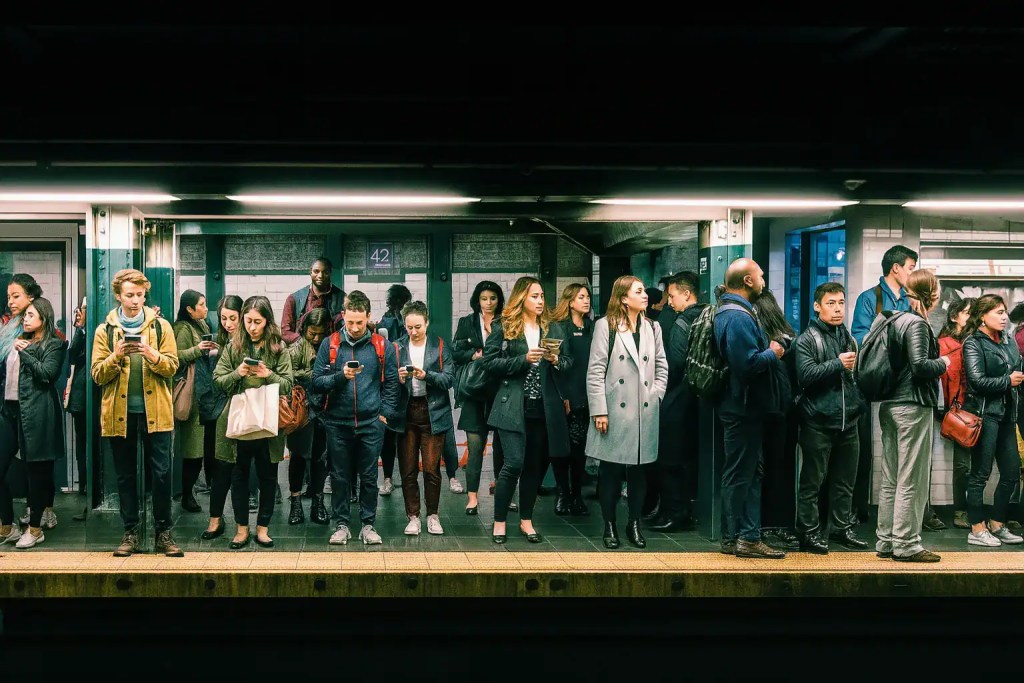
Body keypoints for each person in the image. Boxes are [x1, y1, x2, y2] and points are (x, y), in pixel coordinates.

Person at [90, 268, 182, 557]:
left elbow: (173, 366)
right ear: (118, 295)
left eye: (140, 295)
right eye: (129, 295)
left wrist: (152, 355)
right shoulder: (105, 331)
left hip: (158, 414)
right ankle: (130, 532)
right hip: (120, 414)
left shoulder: (161, 327)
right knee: (126, 475)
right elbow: (97, 374)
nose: (135, 300)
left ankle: (163, 533)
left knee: (162, 474)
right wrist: (116, 356)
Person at [484, 276, 572, 545]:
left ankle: (526, 521)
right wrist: (523, 360)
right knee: (513, 464)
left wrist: (555, 360)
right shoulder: (504, 326)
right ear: (521, 298)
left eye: (542, 296)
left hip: (543, 407)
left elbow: (569, 362)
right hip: (512, 405)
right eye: (535, 296)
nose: (540, 301)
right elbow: (489, 363)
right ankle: (499, 521)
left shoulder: (553, 328)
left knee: (534, 467)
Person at [586, 275, 668, 549]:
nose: (645, 296)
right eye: (639, 291)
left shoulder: (652, 327)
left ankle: (634, 523)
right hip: (614, 410)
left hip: (644, 410)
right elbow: (595, 371)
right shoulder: (606, 326)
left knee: (639, 471)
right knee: (610, 470)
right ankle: (609, 524)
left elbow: (661, 365)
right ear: (623, 298)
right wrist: (599, 410)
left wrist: (656, 394)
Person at [313, 291, 399, 546]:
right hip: (337, 423)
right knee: (339, 476)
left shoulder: (381, 346)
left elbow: (391, 384)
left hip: (371, 422)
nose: (354, 327)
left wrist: (384, 416)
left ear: (368, 317)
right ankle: (341, 525)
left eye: (359, 322)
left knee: (369, 477)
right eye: (349, 322)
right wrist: (341, 377)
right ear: (343, 316)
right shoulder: (330, 344)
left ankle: (368, 525)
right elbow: (316, 382)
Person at [713, 258, 787, 559]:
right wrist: (774, 352)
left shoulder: (729, 311)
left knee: (745, 472)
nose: (763, 281)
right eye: (760, 276)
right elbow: (746, 365)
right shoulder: (738, 317)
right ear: (747, 280)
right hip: (742, 407)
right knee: (742, 474)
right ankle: (742, 538)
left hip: (740, 406)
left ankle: (740, 536)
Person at [874, 269, 949, 563]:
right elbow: (919, 366)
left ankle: (886, 540)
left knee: (891, 476)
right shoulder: (916, 323)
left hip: (891, 405)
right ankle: (906, 544)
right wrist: (943, 362)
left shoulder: (892, 319)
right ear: (932, 294)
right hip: (912, 406)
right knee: (911, 477)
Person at [213, 296, 293, 549]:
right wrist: (238, 373)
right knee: (239, 475)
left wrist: (268, 374)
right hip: (241, 420)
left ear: (267, 321)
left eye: (258, 322)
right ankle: (241, 529)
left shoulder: (278, 347)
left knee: (268, 476)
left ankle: (263, 529)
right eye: (248, 321)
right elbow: (218, 380)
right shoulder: (234, 346)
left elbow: (288, 385)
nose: (252, 327)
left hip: (268, 422)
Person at [794, 282, 869, 554]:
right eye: (831, 303)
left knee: (845, 481)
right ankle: (808, 532)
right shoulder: (807, 339)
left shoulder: (847, 336)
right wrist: (837, 363)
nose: (837, 309)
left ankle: (840, 528)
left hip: (848, 421)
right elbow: (805, 375)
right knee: (812, 482)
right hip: (818, 422)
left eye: (841, 303)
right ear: (817, 306)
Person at [850, 244, 919, 525]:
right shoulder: (870, 298)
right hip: (873, 378)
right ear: (896, 268)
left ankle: (907, 512)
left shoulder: (911, 300)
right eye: (911, 268)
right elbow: (860, 337)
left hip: (902, 382)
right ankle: (857, 507)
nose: (913, 274)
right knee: (862, 448)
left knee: (902, 452)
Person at [0, 297, 66, 548]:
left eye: (30, 315)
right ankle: (7, 525)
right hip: (9, 411)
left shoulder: (54, 344)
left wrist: (25, 352)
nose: (25, 319)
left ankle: (35, 529)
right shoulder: (16, 340)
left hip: (36, 412)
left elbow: (47, 374)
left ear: (43, 318)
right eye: (25, 315)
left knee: (36, 473)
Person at [961, 294, 1024, 547]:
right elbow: (976, 381)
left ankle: (997, 523)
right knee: (980, 473)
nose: (1004, 317)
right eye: (998, 312)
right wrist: (1007, 381)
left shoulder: (1008, 340)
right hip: (985, 415)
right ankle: (977, 528)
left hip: (1007, 415)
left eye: (1005, 311)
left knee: (1011, 472)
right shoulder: (973, 343)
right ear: (982, 316)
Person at [393, 301, 455, 535]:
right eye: (409, 327)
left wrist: (426, 375)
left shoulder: (440, 346)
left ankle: (433, 515)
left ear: (427, 323)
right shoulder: (397, 347)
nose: (413, 331)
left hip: (433, 412)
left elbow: (449, 379)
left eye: (418, 326)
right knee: (408, 470)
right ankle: (413, 516)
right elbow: (385, 380)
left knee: (431, 469)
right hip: (406, 412)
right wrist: (399, 379)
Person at [648, 271, 704, 532]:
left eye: (672, 296)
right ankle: (680, 510)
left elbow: (675, 363)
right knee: (686, 459)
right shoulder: (706, 316)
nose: (669, 302)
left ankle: (675, 512)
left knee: (670, 458)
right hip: (697, 397)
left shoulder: (682, 322)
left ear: (686, 294)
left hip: (678, 397)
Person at [452, 281, 506, 515]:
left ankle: (503, 493)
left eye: (493, 298)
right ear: (477, 300)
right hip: (475, 391)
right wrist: (474, 354)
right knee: (475, 448)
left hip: (500, 390)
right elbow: (455, 353)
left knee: (503, 448)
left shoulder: (506, 322)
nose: (488, 303)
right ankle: (472, 497)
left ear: (499, 300)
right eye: (484, 298)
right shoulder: (467, 322)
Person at [753, 290, 801, 548]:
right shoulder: (789, 337)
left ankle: (760, 524)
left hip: (762, 412)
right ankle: (781, 524)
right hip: (786, 413)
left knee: (759, 470)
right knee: (782, 469)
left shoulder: (761, 342)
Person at [199, 295, 241, 541]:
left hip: (241, 408)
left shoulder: (248, 341)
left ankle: (240, 524)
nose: (228, 323)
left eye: (232, 318)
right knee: (217, 465)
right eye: (224, 318)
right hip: (217, 410)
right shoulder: (221, 340)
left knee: (238, 467)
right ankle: (215, 518)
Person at [286, 307, 332, 526]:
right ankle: (295, 503)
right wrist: (315, 374)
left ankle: (318, 502)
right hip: (301, 409)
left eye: (320, 334)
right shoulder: (295, 349)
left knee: (319, 458)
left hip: (323, 410)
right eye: (312, 333)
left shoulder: (330, 346)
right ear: (304, 329)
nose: (315, 338)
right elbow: (288, 376)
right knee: (297, 456)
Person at [552, 282, 594, 516]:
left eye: (587, 297)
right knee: (562, 448)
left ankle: (577, 495)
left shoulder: (592, 327)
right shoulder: (561, 328)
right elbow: (557, 366)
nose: (586, 301)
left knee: (580, 450)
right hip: (567, 394)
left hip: (588, 394)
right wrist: (563, 395)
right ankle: (562, 494)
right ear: (570, 302)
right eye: (581, 297)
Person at [173, 289, 217, 514]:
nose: (206, 308)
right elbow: (176, 357)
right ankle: (186, 493)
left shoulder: (202, 325)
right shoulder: (183, 328)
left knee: (205, 447)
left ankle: (200, 488)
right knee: (193, 450)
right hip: (193, 394)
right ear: (189, 309)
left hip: (205, 391)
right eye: (201, 305)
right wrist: (197, 350)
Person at [937, 298, 975, 530]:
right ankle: (960, 510)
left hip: (980, 406)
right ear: (954, 316)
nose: (972, 317)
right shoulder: (944, 344)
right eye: (967, 313)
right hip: (959, 410)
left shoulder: (979, 341)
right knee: (963, 466)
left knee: (980, 465)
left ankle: (976, 511)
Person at [377, 284, 413, 497]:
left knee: (390, 437)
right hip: (401, 382)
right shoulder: (397, 322)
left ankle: (388, 478)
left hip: (389, 383)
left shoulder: (384, 322)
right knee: (400, 436)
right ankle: (397, 478)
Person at [67, 299, 93, 522]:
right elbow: (72, 356)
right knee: (83, 447)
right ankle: (85, 489)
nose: (80, 313)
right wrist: (80, 329)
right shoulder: (83, 332)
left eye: (83, 309)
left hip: (95, 398)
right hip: (81, 399)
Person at [280, 256, 346, 345]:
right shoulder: (295, 299)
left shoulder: (342, 298)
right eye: (316, 271)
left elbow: (347, 328)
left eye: (325, 272)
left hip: (331, 348)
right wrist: (304, 344)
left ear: (330, 273)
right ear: (310, 272)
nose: (320, 276)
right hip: (302, 349)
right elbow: (285, 332)